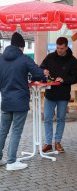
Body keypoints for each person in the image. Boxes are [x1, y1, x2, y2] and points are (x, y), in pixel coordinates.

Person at [0, 32, 46, 171]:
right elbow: (38, 73)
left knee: (3, 130)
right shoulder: (24, 59)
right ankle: (11, 161)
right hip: (20, 100)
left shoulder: (1, 59)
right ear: (21, 47)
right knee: (16, 131)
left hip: (6, 100)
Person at [40, 37, 77, 153]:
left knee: (61, 118)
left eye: (61, 48)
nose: (59, 50)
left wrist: (64, 79)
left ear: (66, 47)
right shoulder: (50, 57)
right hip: (50, 94)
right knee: (47, 118)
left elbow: (75, 78)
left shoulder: (72, 60)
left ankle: (57, 142)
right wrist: (43, 71)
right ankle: (48, 143)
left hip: (63, 95)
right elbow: (41, 67)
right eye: (57, 48)